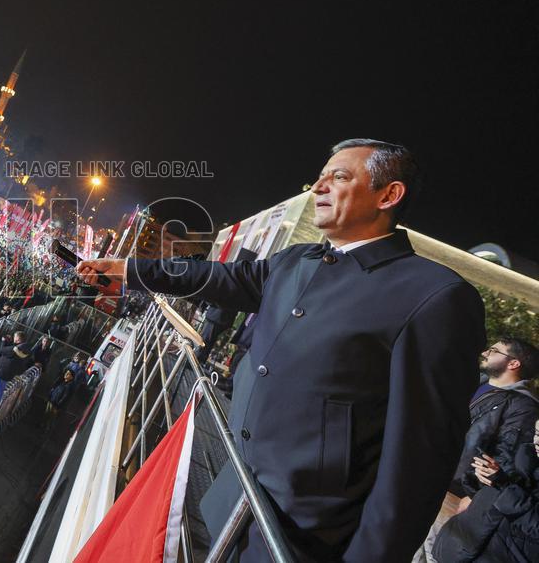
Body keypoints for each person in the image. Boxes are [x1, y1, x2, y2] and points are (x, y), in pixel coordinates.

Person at [78, 139, 487, 562]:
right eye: (322, 177)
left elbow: (417, 466)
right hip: (235, 493)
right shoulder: (296, 261)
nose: (319, 188)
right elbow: (217, 277)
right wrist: (129, 269)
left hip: (305, 537)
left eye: (340, 177)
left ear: (389, 194)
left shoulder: (437, 296)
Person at [416, 337, 539, 561]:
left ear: (513, 363)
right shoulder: (478, 384)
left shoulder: (523, 406)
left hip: (454, 494)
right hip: (425, 477)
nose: (485, 353)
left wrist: (475, 495)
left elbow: (510, 458)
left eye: (494, 350)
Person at [433, 417, 539, 562]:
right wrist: (482, 479)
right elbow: (494, 499)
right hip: (458, 545)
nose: (537, 442)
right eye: (537, 433)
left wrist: (503, 485)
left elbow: (533, 524)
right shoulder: (524, 456)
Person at [0, 331, 32, 404]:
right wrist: (9, 342)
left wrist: (3, 341)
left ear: (18, 339)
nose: (13, 338)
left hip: (3, 372)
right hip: (8, 373)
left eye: (14, 337)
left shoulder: (15, 349)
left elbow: (2, 350)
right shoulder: (24, 349)